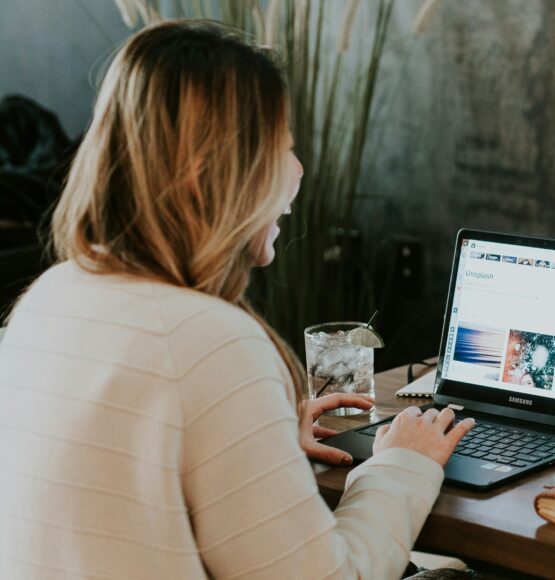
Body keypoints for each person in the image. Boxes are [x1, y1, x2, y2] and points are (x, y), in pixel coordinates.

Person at [0, 21, 473, 578]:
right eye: (283, 149)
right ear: (210, 176)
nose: (297, 172)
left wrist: (255, 437)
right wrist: (400, 465)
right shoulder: (211, 342)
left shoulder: (47, 299)